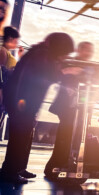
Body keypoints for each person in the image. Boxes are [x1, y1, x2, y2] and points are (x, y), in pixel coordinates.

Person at [0, 33, 77, 184]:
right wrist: (65, 73)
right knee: (20, 137)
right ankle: (10, 171)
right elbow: (45, 76)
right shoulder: (41, 55)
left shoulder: (41, 53)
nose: (65, 56)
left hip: (23, 100)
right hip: (21, 101)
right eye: (65, 52)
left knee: (25, 134)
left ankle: (18, 168)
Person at [44, 42, 98, 178]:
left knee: (73, 137)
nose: (89, 53)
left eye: (91, 51)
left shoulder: (88, 66)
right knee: (65, 136)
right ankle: (54, 166)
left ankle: (63, 164)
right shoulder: (71, 63)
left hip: (80, 107)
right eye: (87, 50)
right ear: (80, 50)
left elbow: (93, 82)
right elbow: (61, 78)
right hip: (68, 107)